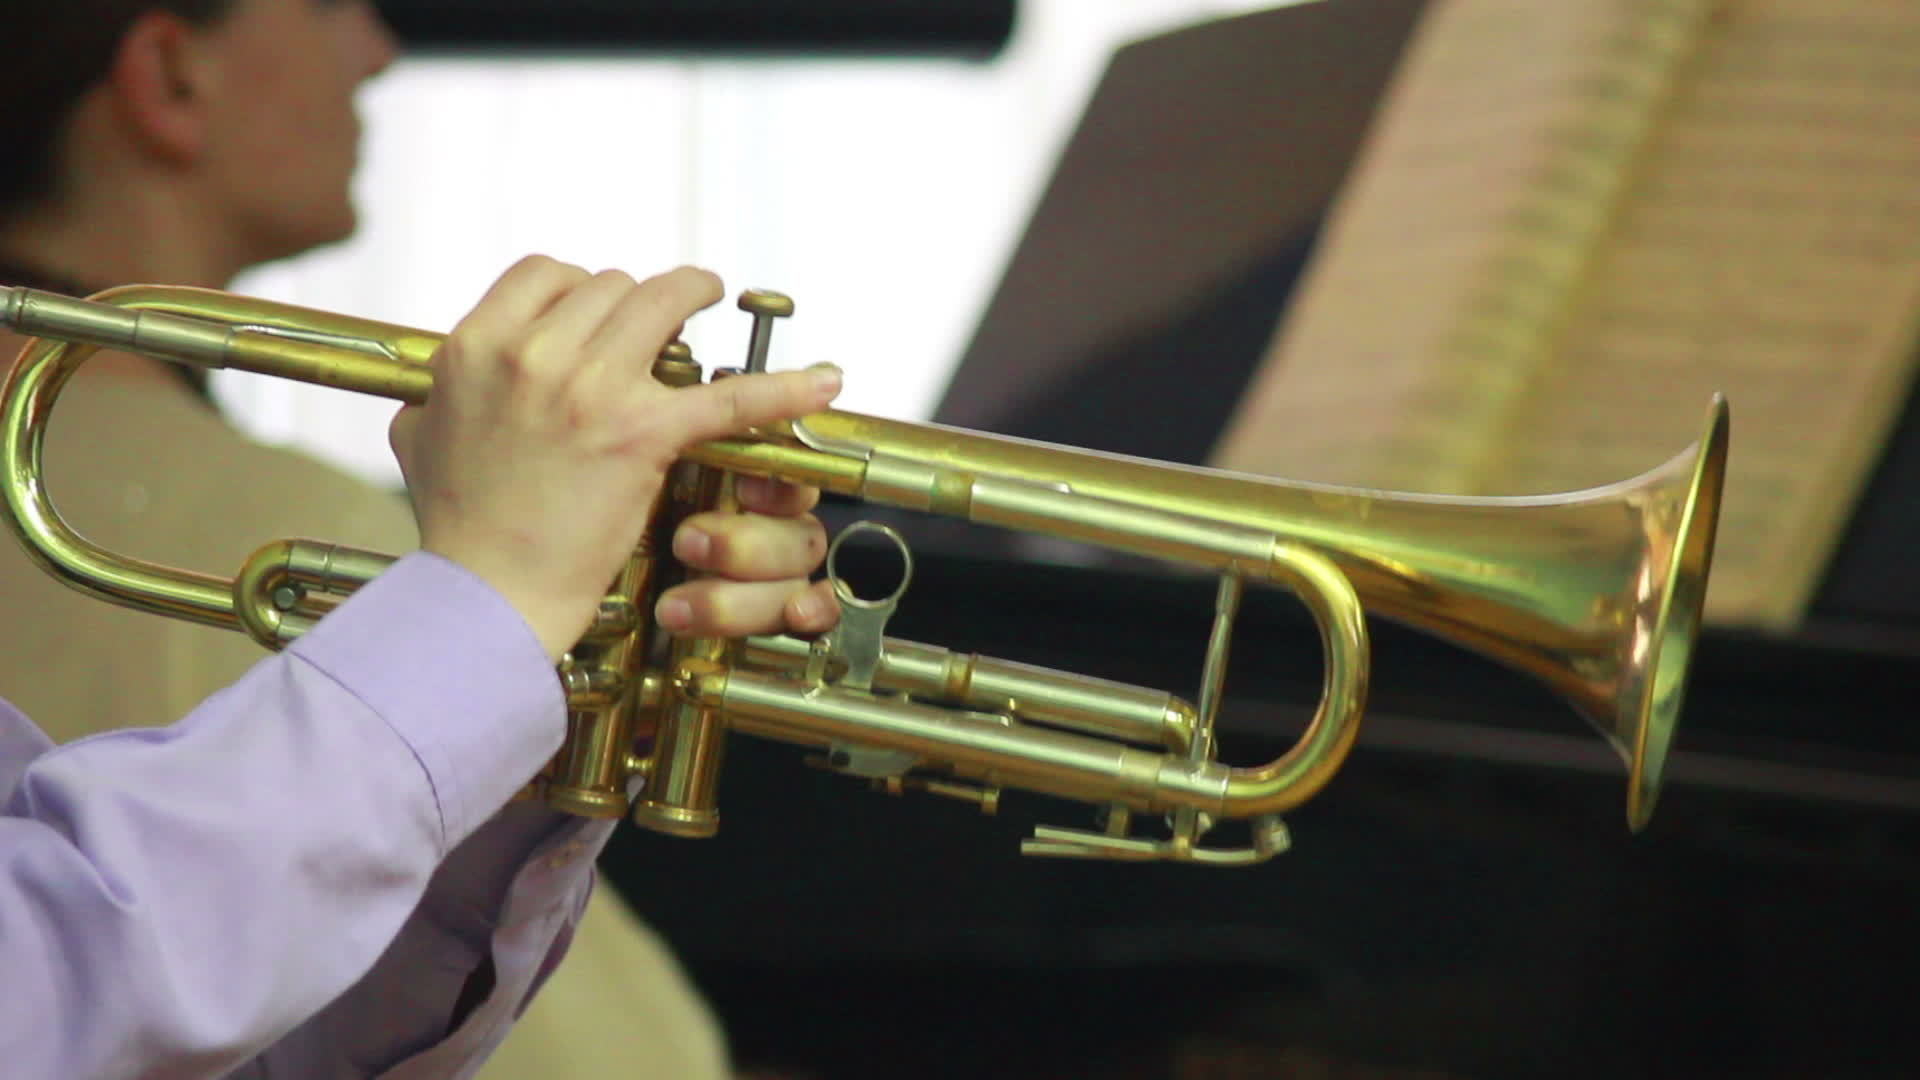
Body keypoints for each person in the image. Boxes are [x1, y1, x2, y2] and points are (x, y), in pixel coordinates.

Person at [0, 2, 758, 1076]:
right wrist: (489, 595)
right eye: (322, 5)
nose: (376, 47)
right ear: (168, 75)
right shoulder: (281, 520)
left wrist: (519, 724)